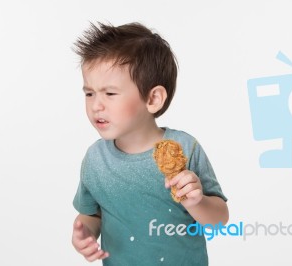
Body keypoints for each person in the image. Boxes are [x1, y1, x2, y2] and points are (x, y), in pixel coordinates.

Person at [71, 21, 229, 266]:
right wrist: (85, 234)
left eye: (110, 93)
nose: (96, 105)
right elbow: (92, 214)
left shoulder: (185, 148)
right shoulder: (95, 159)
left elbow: (218, 221)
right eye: (89, 93)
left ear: (153, 98)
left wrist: (197, 202)